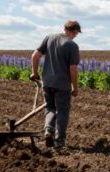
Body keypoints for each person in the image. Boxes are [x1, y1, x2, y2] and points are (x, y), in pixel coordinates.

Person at [31, 20, 81, 148]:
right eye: (76, 33)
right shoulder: (72, 46)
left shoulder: (50, 38)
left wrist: (34, 73)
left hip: (47, 82)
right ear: (73, 31)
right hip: (62, 85)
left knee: (50, 108)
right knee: (62, 111)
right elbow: (73, 70)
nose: (76, 36)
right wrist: (75, 88)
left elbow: (35, 56)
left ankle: (48, 131)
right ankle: (59, 141)